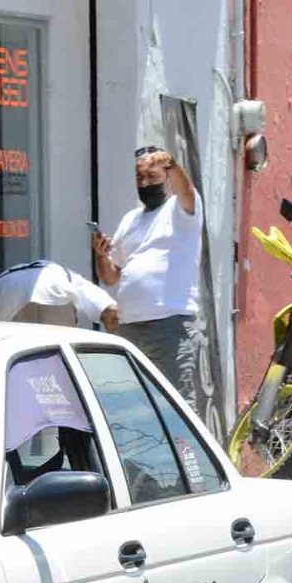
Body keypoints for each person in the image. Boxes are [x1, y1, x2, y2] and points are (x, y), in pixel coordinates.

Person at [92, 145, 203, 406]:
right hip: (129, 327)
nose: (144, 184)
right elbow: (111, 277)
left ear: (167, 178)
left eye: (152, 177)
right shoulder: (130, 220)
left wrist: (172, 165)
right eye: (139, 178)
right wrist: (101, 255)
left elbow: (186, 189)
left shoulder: (181, 209)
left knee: (176, 406)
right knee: (135, 407)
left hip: (170, 325)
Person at [0, 259, 119, 330]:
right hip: (50, 284)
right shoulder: (73, 279)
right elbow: (111, 311)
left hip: (4, 285)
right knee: (58, 346)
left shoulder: (66, 276)